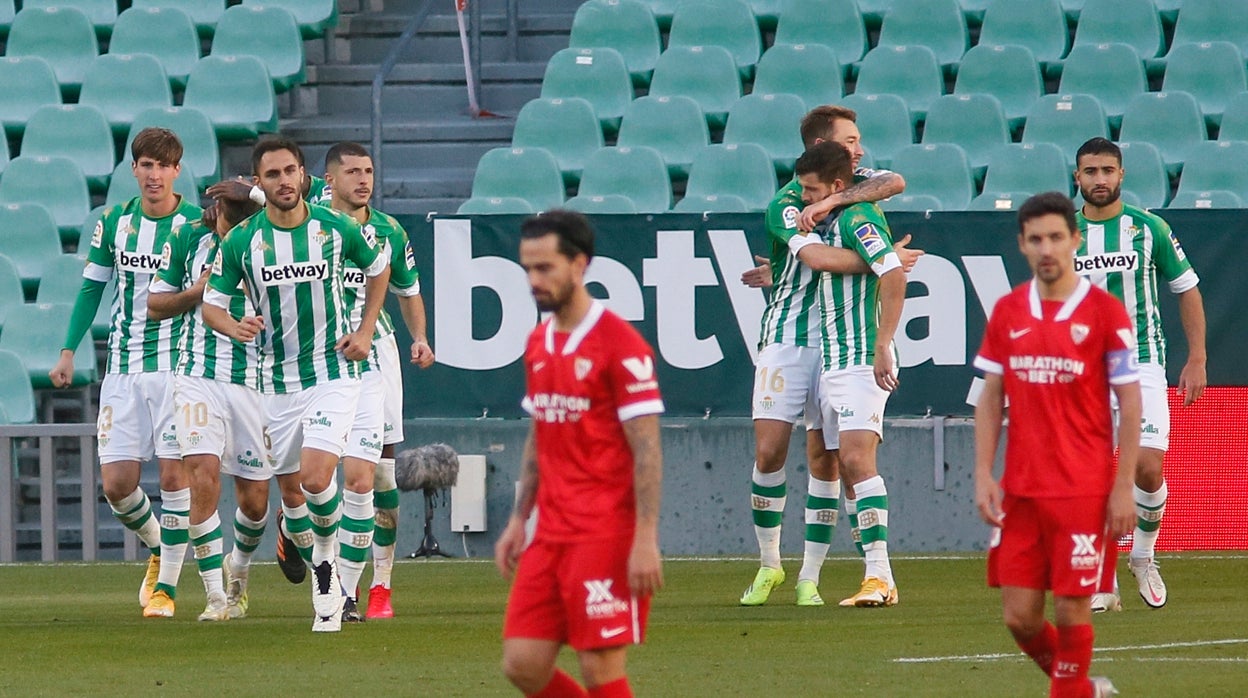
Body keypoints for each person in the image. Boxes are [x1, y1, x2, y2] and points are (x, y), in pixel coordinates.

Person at [202, 137, 390, 633]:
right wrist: (232, 324)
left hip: (333, 373)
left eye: (291, 171)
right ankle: (317, 552)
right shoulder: (242, 241)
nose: (284, 181)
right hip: (276, 383)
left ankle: (325, 569)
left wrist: (367, 329)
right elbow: (211, 305)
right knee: (296, 492)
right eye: (273, 174)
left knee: (314, 476)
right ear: (259, 183)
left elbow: (379, 269)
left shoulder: (336, 228)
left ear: (304, 176)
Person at [740, 105, 916, 607]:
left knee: (832, 458)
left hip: (844, 342)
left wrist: (844, 201)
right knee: (770, 450)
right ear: (822, 150)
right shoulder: (788, 203)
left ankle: (812, 577)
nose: (860, 149)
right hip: (792, 337)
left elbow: (896, 180)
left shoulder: (853, 189)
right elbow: (815, 259)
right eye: (850, 140)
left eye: (858, 141)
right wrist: (886, 261)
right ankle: (771, 563)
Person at [973, 191, 1140, 698]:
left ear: (1075, 240)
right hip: (1021, 490)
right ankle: (1085, 690)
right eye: (1036, 239)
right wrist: (983, 472)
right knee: (1020, 617)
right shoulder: (1007, 311)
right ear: (1022, 244)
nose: (1047, 248)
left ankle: (1068, 693)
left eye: (1056, 237)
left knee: (1071, 608)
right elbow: (990, 396)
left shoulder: (1105, 312)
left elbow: (1130, 405)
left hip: (1082, 489)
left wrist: (1123, 486)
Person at [494, 210, 664, 698]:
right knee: (523, 664)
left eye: (545, 268)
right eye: (527, 268)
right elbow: (539, 433)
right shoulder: (538, 341)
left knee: (600, 669)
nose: (534, 280)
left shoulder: (621, 346)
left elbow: (647, 448)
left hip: (606, 533)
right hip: (549, 532)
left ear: (580, 264)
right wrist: (517, 520)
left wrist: (645, 538)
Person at [49, 128, 200, 617]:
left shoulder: (195, 225)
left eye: (163, 166)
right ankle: (160, 546)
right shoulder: (113, 222)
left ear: (177, 171)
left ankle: (167, 590)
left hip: (176, 367)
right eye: (145, 165)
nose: (154, 174)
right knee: (116, 484)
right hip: (122, 369)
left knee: (175, 476)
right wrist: (69, 350)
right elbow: (92, 289)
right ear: (133, 170)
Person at [1073, 137, 1206, 612]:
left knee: (1147, 467)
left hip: (1140, 363)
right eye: (1090, 172)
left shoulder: (1148, 228)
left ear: (1122, 175)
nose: (1100, 179)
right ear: (1077, 178)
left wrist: (1197, 359)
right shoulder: (1061, 233)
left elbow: (1186, 288)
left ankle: (1143, 557)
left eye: (1108, 170)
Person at [148, 188, 275, 621]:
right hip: (197, 375)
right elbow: (154, 305)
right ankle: (215, 597)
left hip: (256, 381)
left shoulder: (271, 241)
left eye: (243, 218)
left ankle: (237, 566)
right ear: (216, 211)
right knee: (201, 473)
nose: (233, 227)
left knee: (255, 502)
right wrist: (197, 292)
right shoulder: (187, 238)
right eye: (228, 218)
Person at [323, 141, 436, 621]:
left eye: (367, 171)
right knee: (310, 476)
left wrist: (421, 338)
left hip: (375, 355)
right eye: (351, 172)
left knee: (376, 472)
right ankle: (313, 552)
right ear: (330, 180)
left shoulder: (389, 229)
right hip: (318, 356)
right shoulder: (311, 225)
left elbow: (407, 290)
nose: (363, 180)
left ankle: (375, 587)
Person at [797, 142, 906, 607]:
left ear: (837, 187)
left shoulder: (857, 220)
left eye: (811, 190)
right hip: (836, 359)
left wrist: (883, 345)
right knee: (843, 466)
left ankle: (879, 576)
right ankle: (877, 573)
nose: (805, 198)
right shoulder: (836, 221)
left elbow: (894, 273)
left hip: (863, 357)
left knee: (859, 461)